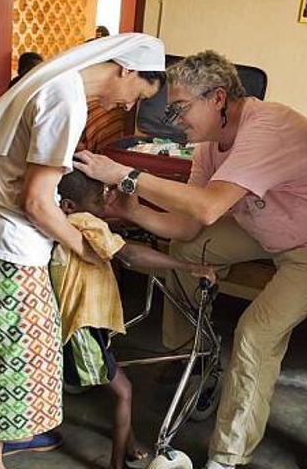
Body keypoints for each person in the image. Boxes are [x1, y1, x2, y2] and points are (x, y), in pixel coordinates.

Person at [74, 50, 307, 469]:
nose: (174, 120)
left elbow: (207, 209)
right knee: (188, 251)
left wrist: (124, 175)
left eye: (179, 108)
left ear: (218, 98)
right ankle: (196, 361)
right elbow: (189, 228)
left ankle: (228, 457)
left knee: (255, 335)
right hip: (268, 228)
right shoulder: (209, 144)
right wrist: (131, 211)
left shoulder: (267, 128)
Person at [0, 33, 166, 469]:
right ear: (126, 69)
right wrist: (83, 247)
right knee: (10, 360)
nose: (129, 106)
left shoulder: (54, 85)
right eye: (137, 95)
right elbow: (36, 202)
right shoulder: (65, 99)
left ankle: (2, 448)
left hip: (4, 242)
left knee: (17, 355)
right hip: (9, 248)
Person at [50, 170, 214, 469]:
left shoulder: (69, 220)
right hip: (82, 329)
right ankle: (117, 463)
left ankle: (129, 445)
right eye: (100, 197)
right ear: (70, 205)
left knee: (119, 385)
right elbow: (130, 257)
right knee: (124, 392)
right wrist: (188, 265)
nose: (107, 199)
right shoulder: (85, 222)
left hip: (88, 323)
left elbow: (106, 230)